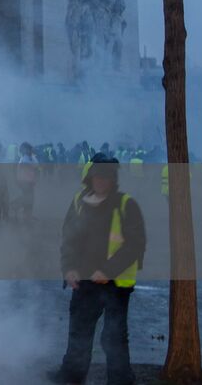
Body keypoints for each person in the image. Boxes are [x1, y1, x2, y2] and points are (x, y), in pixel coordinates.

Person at [51, 154, 145, 385]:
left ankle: (120, 381)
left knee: (113, 338)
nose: (102, 181)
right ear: (90, 177)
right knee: (78, 334)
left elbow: (135, 244)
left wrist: (107, 271)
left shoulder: (126, 204)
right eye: (98, 176)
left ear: (113, 179)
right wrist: (69, 268)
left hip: (115, 284)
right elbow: (69, 239)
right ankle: (71, 377)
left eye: (107, 177)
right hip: (84, 281)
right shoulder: (78, 202)